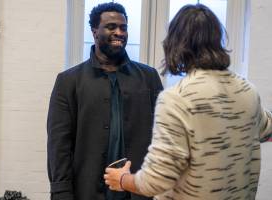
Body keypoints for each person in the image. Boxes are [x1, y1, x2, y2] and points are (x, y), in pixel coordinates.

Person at [104, 4, 272, 200]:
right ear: (217, 40)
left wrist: (122, 179)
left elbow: (155, 182)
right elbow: (267, 130)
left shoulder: (177, 99)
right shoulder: (247, 91)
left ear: (176, 43)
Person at [47, 2, 163, 200]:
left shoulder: (149, 77)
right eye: (111, 27)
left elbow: (163, 136)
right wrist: (61, 191)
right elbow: (59, 144)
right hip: (87, 190)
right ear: (94, 31)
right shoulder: (69, 81)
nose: (119, 32)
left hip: (138, 190)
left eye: (123, 27)